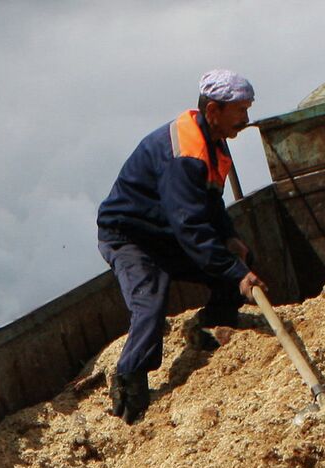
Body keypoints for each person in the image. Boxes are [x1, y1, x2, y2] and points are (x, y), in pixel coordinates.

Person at [97, 69, 270, 423]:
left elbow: (210, 202)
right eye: (240, 110)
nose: (246, 119)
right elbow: (190, 227)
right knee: (150, 301)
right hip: (130, 236)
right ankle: (129, 380)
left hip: (167, 231)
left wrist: (229, 237)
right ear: (212, 111)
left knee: (233, 261)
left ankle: (211, 324)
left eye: (247, 108)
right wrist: (238, 274)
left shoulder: (215, 142)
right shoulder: (185, 153)